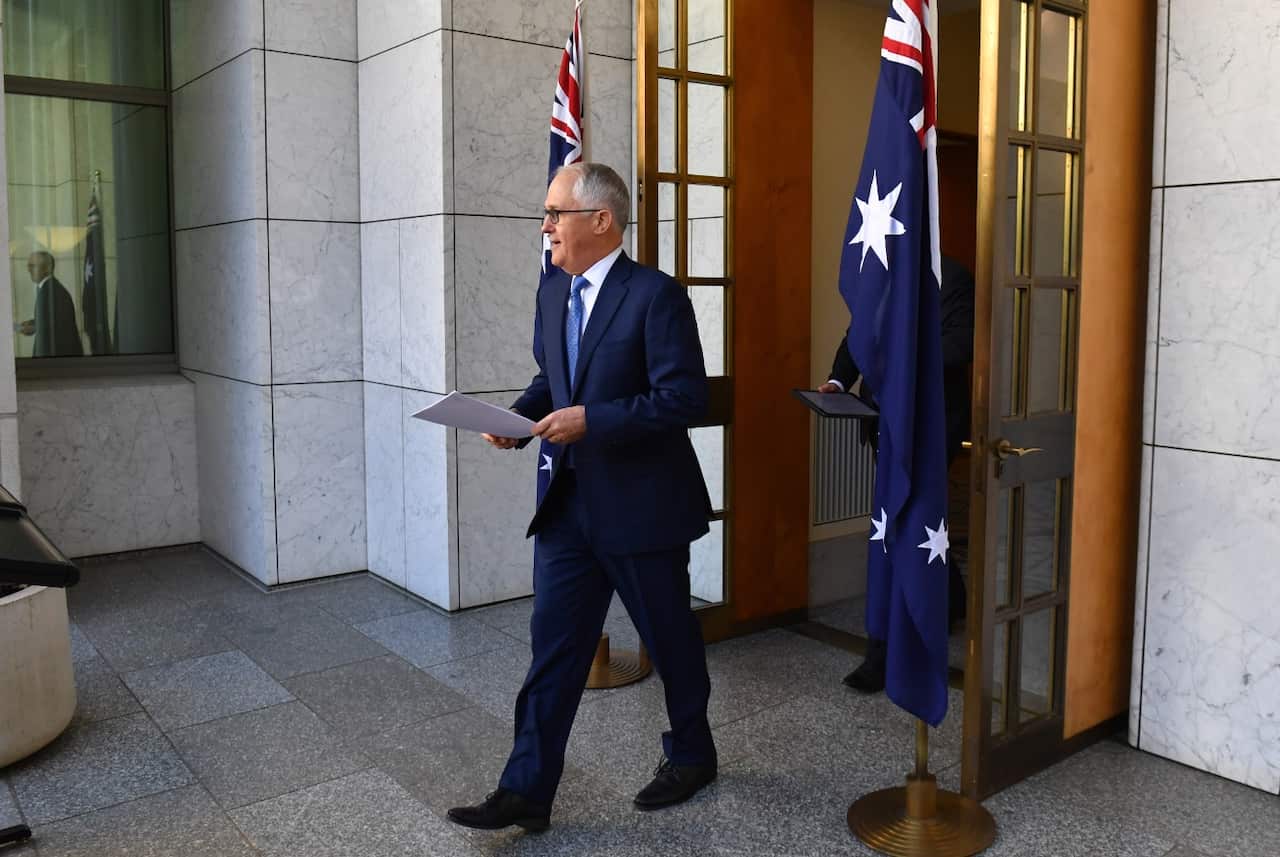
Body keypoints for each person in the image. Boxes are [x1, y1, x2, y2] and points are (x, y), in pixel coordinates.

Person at [448, 162, 717, 833]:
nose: (544, 228)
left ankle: (692, 752)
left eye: (554, 214)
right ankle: (526, 789)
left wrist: (591, 420)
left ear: (602, 220)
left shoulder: (657, 296)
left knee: (669, 641)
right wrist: (518, 417)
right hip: (570, 507)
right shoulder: (553, 293)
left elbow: (685, 398)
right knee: (555, 650)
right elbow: (554, 378)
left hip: (644, 508)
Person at [820, 253, 974, 693]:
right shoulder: (881, 273)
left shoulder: (953, 276)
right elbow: (858, 336)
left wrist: (898, 357)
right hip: (883, 421)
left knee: (907, 525)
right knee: (904, 524)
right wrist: (837, 380)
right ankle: (950, 600)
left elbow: (962, 343)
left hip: (929, 428)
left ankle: (888, 648)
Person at [18, 251, 82, 357]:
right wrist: (34, 323)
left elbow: (61, 329)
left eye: (32, 266)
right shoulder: (49, 289)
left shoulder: (53, 292)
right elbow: (52, 318)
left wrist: (35, 327)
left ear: (47, 268)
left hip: (57, 361)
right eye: (28, 266)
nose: (28, 270)